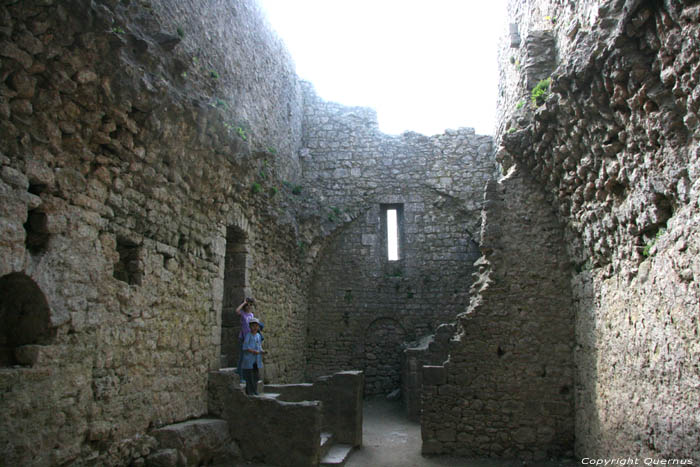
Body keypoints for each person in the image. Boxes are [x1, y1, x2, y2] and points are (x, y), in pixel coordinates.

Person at [240, 317, 264, 395]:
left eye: (256, 326)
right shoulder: (248, 336)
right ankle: (250, 391)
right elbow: (245, 347)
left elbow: (259, 346)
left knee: (255, 376)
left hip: (256, 360)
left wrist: (262, 351)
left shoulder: (258, 336)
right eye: (253, 326)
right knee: (249, 376)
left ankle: (255, 390)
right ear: (250, 327)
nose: (255, 328)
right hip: (249, 359)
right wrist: (253, 351)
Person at [235, 297, 256, 382]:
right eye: (247, 305)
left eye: (250, 305)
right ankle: (240, 375)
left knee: (247, 358)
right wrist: (243, 303)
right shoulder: (243, 314)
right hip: (243, 338)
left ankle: (243, 375)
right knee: (242, 357)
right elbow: (237, 311)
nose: (249, 306)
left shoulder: (251, 315)